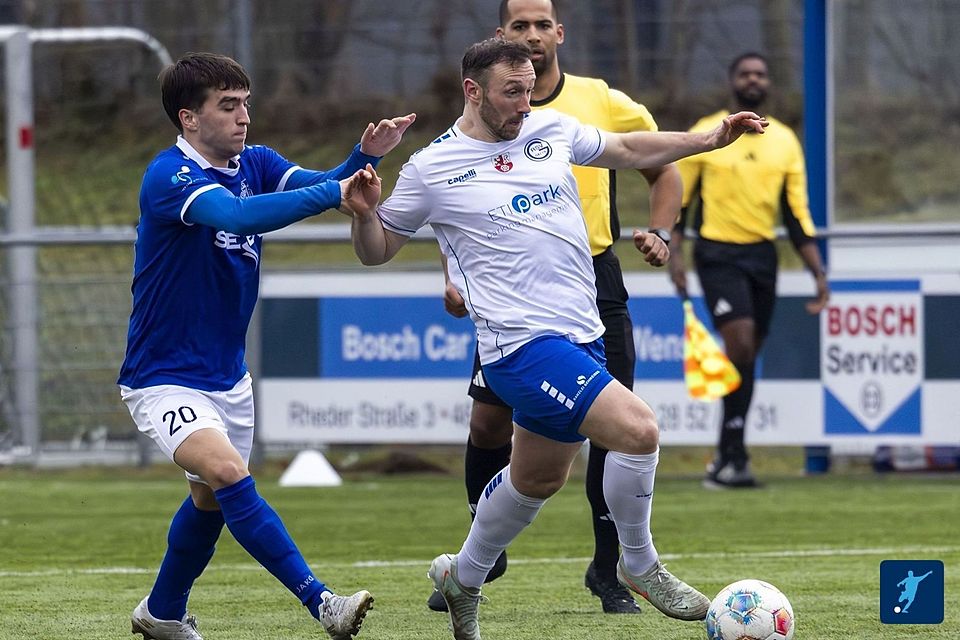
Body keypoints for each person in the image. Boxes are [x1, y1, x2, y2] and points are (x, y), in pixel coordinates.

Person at [343, 38, 766, 640]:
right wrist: (364, 216)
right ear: (473, 92)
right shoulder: (431, 168)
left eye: (530, 86)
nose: (524, 100)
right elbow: (377, 250)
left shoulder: (549, 129)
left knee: (537, 479)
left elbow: (625, 148)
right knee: (639, 429)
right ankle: (639, 562)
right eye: (511, 91)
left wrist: (706, 139)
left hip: (581, 334)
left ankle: (464, 578)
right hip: (518, 347)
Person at [118, 52, 414, 640]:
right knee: (228, 474)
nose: (243, 117)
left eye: (246, 104)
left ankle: (162, 613)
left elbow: (320, 184)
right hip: (163, 376)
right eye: (227, 107)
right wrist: (335, 193)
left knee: (209, 502)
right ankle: (322, 603)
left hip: (227, 378)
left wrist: (365, 162)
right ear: (188, 119)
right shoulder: (169, 176)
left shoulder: (256, 162)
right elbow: (237, 214)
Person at [429, 0, 683, 615]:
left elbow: (657, 166)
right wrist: (453, 275)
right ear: (502, 36)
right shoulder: (480, 122)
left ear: (560, 33)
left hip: (594, 281)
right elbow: (455, 212)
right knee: (494, 429)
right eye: (520, 25)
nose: (534, 34)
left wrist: (662, 231)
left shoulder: (596, 100)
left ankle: (610, 570)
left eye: (543, 24)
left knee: (614, 428)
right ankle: (480, 562)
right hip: (514, 297)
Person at [668, 52, 830, 490]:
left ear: (768, 83)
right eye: (745, 73)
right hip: (718, 254)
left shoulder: (785, 142)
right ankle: (730, 454)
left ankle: (729, 457)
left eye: (760, 73)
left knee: (747, 358)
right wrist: (675, 254)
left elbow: (796, 214)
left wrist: (818, 271)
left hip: (763, 257)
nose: (753, 80)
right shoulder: (713, 131)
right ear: (732, 81)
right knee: (738, 345)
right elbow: (681, 203)